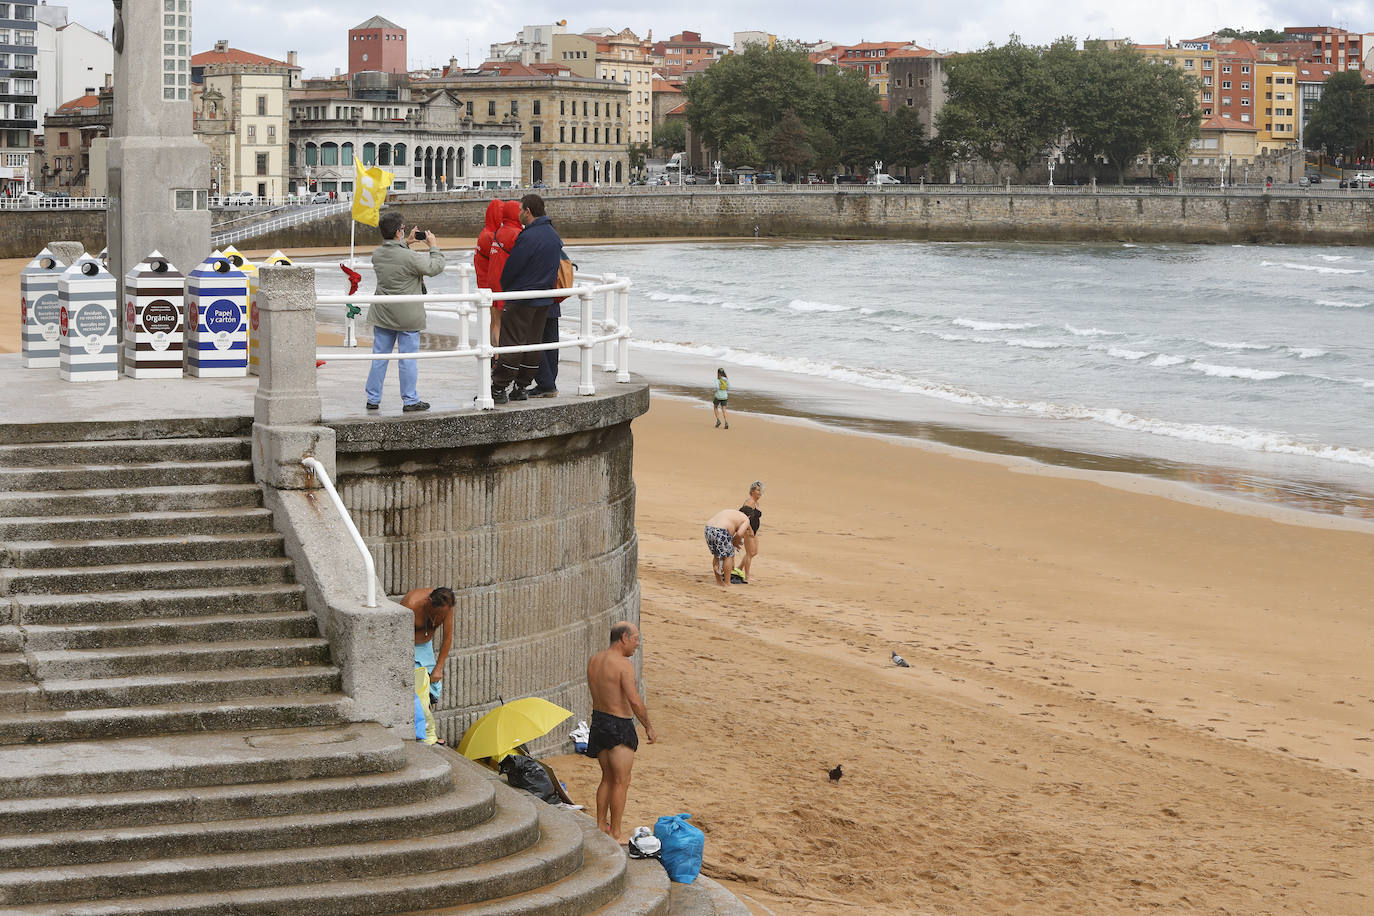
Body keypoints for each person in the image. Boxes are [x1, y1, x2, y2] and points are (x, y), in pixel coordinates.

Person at [365, 210, 445, 412]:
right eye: (402, 229)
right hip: (408, 316)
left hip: (383, 312)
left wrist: (407, 241)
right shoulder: (409, 257)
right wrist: (433, 246)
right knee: (407, 358)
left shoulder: (377, 254)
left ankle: (373, 399)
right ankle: (410, 400)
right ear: (399, 232)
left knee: (379, 357)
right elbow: (435, 268)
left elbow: (393, 253)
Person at [586, 621, 657, 842]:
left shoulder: (594, 660)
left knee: (607, 777)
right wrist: (648, 725)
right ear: (624, 638)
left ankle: (600, 824)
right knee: (621, 781)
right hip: (619, 724)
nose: (637, 644)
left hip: (599, 721)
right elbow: (634, 700)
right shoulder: (623, 664)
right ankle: (616, 832)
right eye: (636, 638)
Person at [492, 194, 563, 404]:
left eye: (521, 210)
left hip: (522, 298)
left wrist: (508, 288)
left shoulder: (528, 237)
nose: (519, 214)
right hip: (544, 299)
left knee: (512, 344)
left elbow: (512, 268)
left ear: (528, 211)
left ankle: (499, 388)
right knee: (534, 344)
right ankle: (522, 387)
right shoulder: (553, 235)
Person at [400, 586, 455, 746]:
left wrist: (439, 667)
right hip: (408, 647)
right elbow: (399, 638)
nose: (438, 619)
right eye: (436, 615)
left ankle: (427, 729)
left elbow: (447, 638)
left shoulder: (447, 605)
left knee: (432, 689)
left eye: (442, 616)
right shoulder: (411, 605)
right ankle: (424, 732)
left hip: (426, 647)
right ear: (429, 602)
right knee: (418, 692)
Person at [529, 249, 573, 398]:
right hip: (553, 299)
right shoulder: (553, 241)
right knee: (551, 343)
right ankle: (549, 383)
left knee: (533, 341)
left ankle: (546, 384)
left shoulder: (533, 240)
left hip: (537, 299)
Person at [487, 199, 524, 350]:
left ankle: (494, 356)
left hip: (493, 280)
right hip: (506, 283)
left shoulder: (498, 232)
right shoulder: (516, 234)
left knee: (495, 321)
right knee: (506, 323)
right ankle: (502, 356)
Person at [473, 199, 502, 346]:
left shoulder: (484, 233)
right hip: (491, 285)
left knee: (492, 321)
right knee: (497, 322)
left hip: (483, 283)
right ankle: (495, 356)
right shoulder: (491, 236)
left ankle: (492, 355)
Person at [704, 508, 752, 586]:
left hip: (708, 528)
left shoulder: (733, 513)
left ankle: (719, 581)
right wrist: (735, 542)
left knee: (717, 555)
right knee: (729, 556)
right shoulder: (746, 519)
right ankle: (727, 582)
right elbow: (739, 534)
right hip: (721, 530)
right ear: (749, 516)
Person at [733, 481, 764, 584]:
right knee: (750, 553)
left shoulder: (755, 503)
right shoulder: (749, 501)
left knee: (754, 552)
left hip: (753, 531)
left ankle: (739, 568)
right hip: (747, 530)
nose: (760, 492)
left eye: (761, 490)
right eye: (758, 490)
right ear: (752, 491)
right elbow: (743, 515)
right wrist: (749, 529)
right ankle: (747, 577)